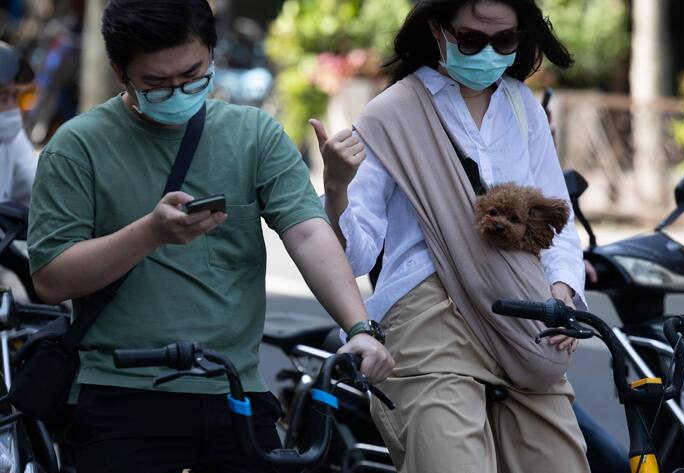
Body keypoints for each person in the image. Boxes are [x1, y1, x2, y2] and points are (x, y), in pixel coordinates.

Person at [25, 1, 393, 472]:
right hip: (119, 395)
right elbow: (52, 279)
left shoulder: (255, 134)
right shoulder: (76, 147)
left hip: (237, 393)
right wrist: (150, 233)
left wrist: (359, 329)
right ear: (120, 73)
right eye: (156, 83)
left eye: (193, 74)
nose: (178, 90)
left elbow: (306, 232)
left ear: (212, 54)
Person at [316, 1, 591, 472]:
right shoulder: (392, 113)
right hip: (428, 318)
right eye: (471, 39)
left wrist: (563, 293)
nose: (487, 52)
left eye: (503, 40)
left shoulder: (522, 106)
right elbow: (358, 255)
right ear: (438, 31)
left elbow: (555, 224)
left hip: (524, 315)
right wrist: (338, 185)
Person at [0, 40, 36, 205]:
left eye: (14, 96)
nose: (12, 109)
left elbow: (39, 185)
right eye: (2, 97)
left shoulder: (10, 138)